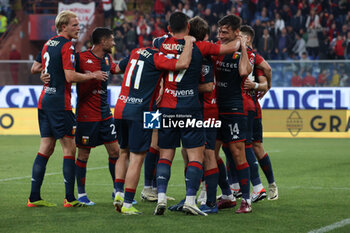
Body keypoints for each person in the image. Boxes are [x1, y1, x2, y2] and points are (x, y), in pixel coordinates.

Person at [152, 12, 240, 216]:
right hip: (191, 108)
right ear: (188, 28)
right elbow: (230, 48)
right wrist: (240, 39)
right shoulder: (200, 47)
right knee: (196, 155)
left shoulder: (162, 44)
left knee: (164, 154)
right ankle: (193, 199)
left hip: (165, 108)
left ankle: (160, 196)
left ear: (169, 27)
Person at [27, 10, 108, 208]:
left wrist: (45, 74)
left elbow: (35, 67)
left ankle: (34, 197)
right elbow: (70, 76)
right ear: (63, 27)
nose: (78, 27)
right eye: (74, 24)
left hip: (44, 100)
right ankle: (70, 198)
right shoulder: (66, 46)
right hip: (59, 104)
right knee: (69, 148)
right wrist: (93, 75)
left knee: (46, 147)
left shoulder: (48, 42)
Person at [113, 35, 196, 215]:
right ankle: (129, 201)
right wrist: (189, 42)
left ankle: (120, 192)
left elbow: (115, 68)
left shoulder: (135, 52)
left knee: (128, 151)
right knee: (140, 154)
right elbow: (181, 65)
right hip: (146, 110)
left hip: (121, 107)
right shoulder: (159, 58)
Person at [73, 27, 120, 205]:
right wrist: (91, 75)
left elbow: (115, 68)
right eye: (112, 40)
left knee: (115, 151)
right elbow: (69, 75)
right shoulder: (81, 58)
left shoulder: (107, 58)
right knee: (84, 154)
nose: (114, 43)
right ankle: (82, 194)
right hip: (86, 115)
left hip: (105, 114)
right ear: (103, 41)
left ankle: (117, 190)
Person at [212, 14, 253, 214]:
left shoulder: (241, 53)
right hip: (214, 108)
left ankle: (246, 200)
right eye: (219, 31)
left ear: (237, 32)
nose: (220, 35)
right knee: (210, 153)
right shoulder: (217, 48)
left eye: (225, 32)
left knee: (238, 154)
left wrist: (243, 46)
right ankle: (227, 194)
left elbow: (245, 71)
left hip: (234, 109)